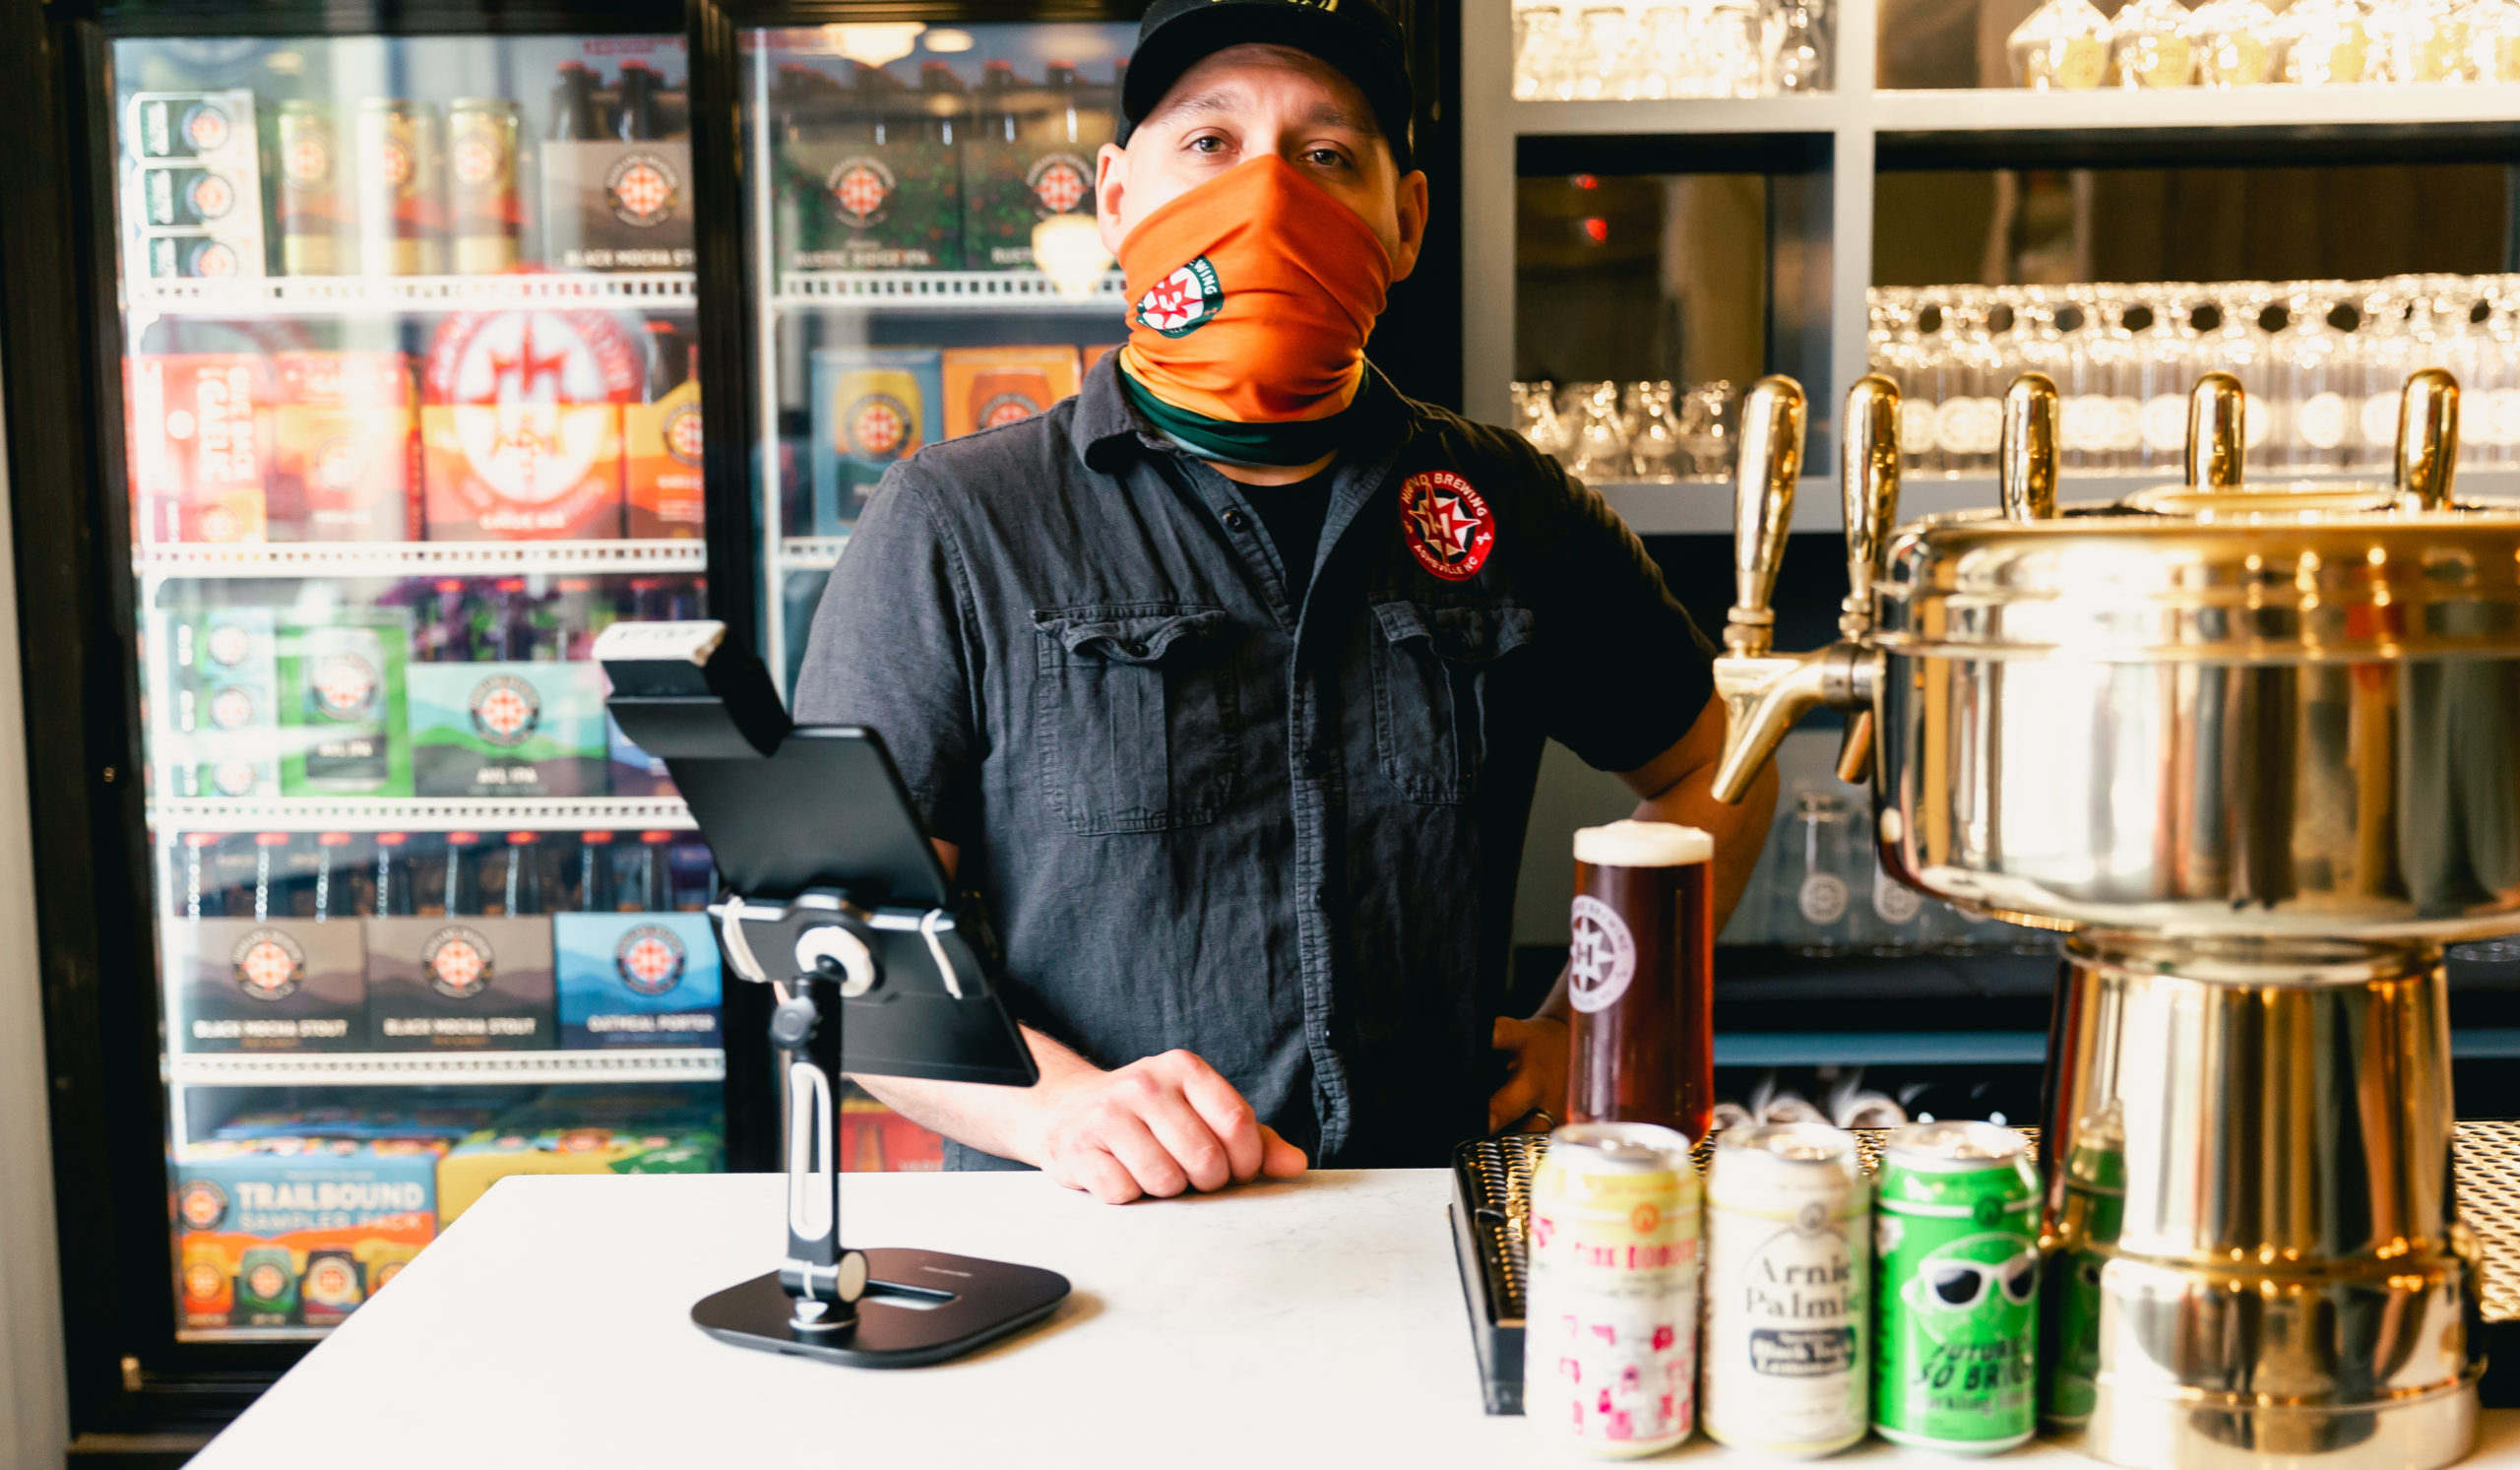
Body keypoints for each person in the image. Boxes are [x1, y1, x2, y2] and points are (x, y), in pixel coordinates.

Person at [794, 0, 1778, 1203]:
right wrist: (1062, 1110)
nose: (1266, 195)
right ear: (1115, 196)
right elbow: (836, 935)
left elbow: (1721, 766)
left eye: (1325, 157)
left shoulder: (1508, 504)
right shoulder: (957, 520)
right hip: (1102, 1255)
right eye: (1209, 143)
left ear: (1404, 221)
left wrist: (1596, 1022)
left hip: (1434, 1231)